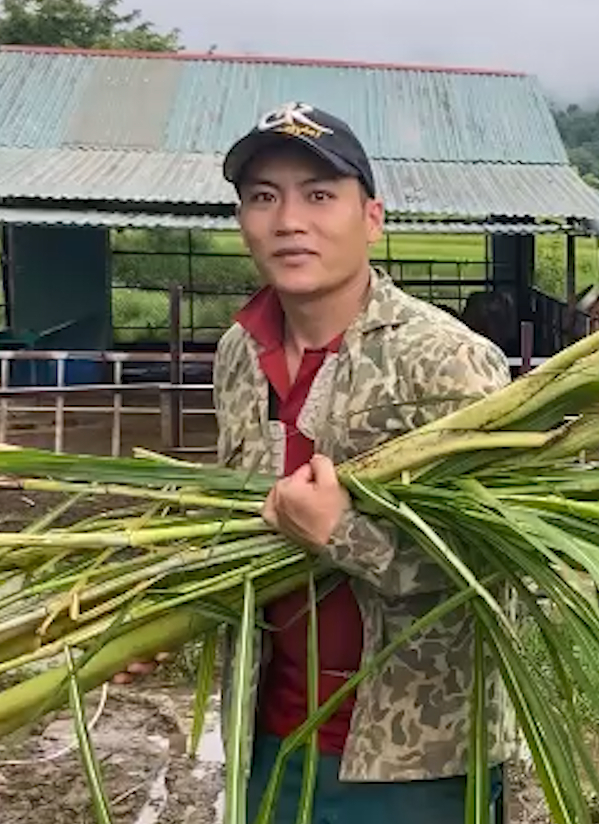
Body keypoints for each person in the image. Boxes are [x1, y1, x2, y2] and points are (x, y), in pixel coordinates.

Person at [206, 101, 515, 823]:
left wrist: (345, 536)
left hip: (415, 762)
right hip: (268, 743)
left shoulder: (448, 363)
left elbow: (500, 565)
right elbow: (234, 528)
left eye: (319, 195)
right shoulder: (235, 356)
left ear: (370, 218)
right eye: (262, 197)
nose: (289, 220)